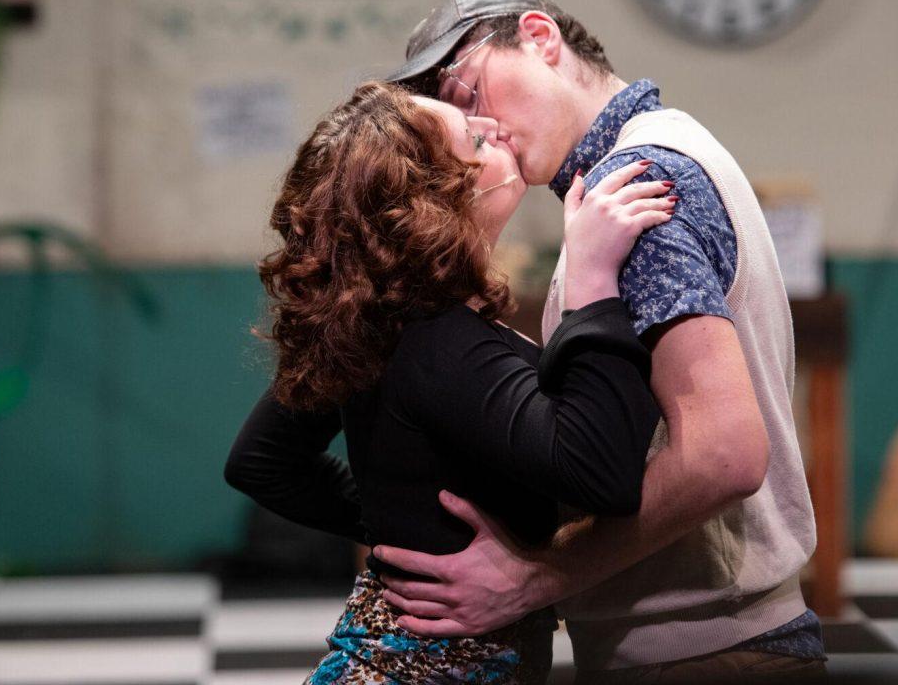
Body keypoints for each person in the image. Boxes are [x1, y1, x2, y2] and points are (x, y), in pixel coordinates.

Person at [374, 0, 828, 683]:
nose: (480, 128)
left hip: (701, 651)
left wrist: (542, 577)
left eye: (468, 91)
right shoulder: (666, 149)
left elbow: (725, 455)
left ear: (540, 38)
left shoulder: (636, 185)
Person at [223, 80, 678, 684]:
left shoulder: (378, 321)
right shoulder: (436, 339)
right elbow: (600, 472)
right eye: (473, 137)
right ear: (434, 197)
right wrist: (593, 281)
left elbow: (262, 460)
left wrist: (405, 523)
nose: (494, 130)